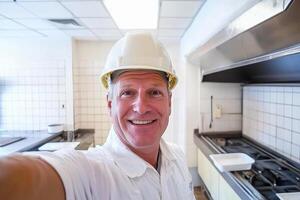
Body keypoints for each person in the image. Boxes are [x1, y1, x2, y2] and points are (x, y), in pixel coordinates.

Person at [0, 32, 195, 200]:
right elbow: (27, 179)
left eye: (154, 93)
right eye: (127, 93)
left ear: (169, 102)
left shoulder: (177, 157)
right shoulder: (93, 174)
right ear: (110, 104)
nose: (141, 108)